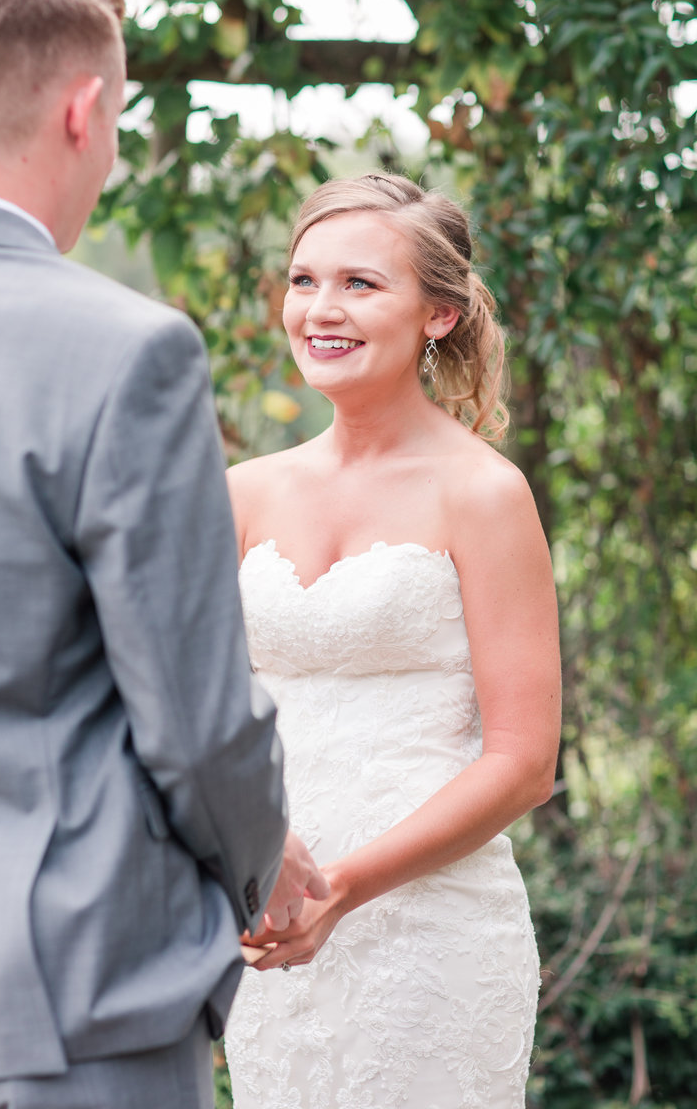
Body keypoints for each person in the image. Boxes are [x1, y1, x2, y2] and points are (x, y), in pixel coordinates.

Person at [0, 0, 327, 1109]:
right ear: (84, 112)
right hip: (68, 983)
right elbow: (193, 720)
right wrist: (261, 858)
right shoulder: (125, 352)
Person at [222, 173, 562, 1108]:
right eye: (304, 280)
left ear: (438, 315)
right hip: (272, 926)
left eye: (360, 284)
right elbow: (196, 710)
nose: (321, 309)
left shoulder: (483, 494)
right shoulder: (242, 492)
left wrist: (344, 886)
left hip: (431, 936)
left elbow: (525, 762)